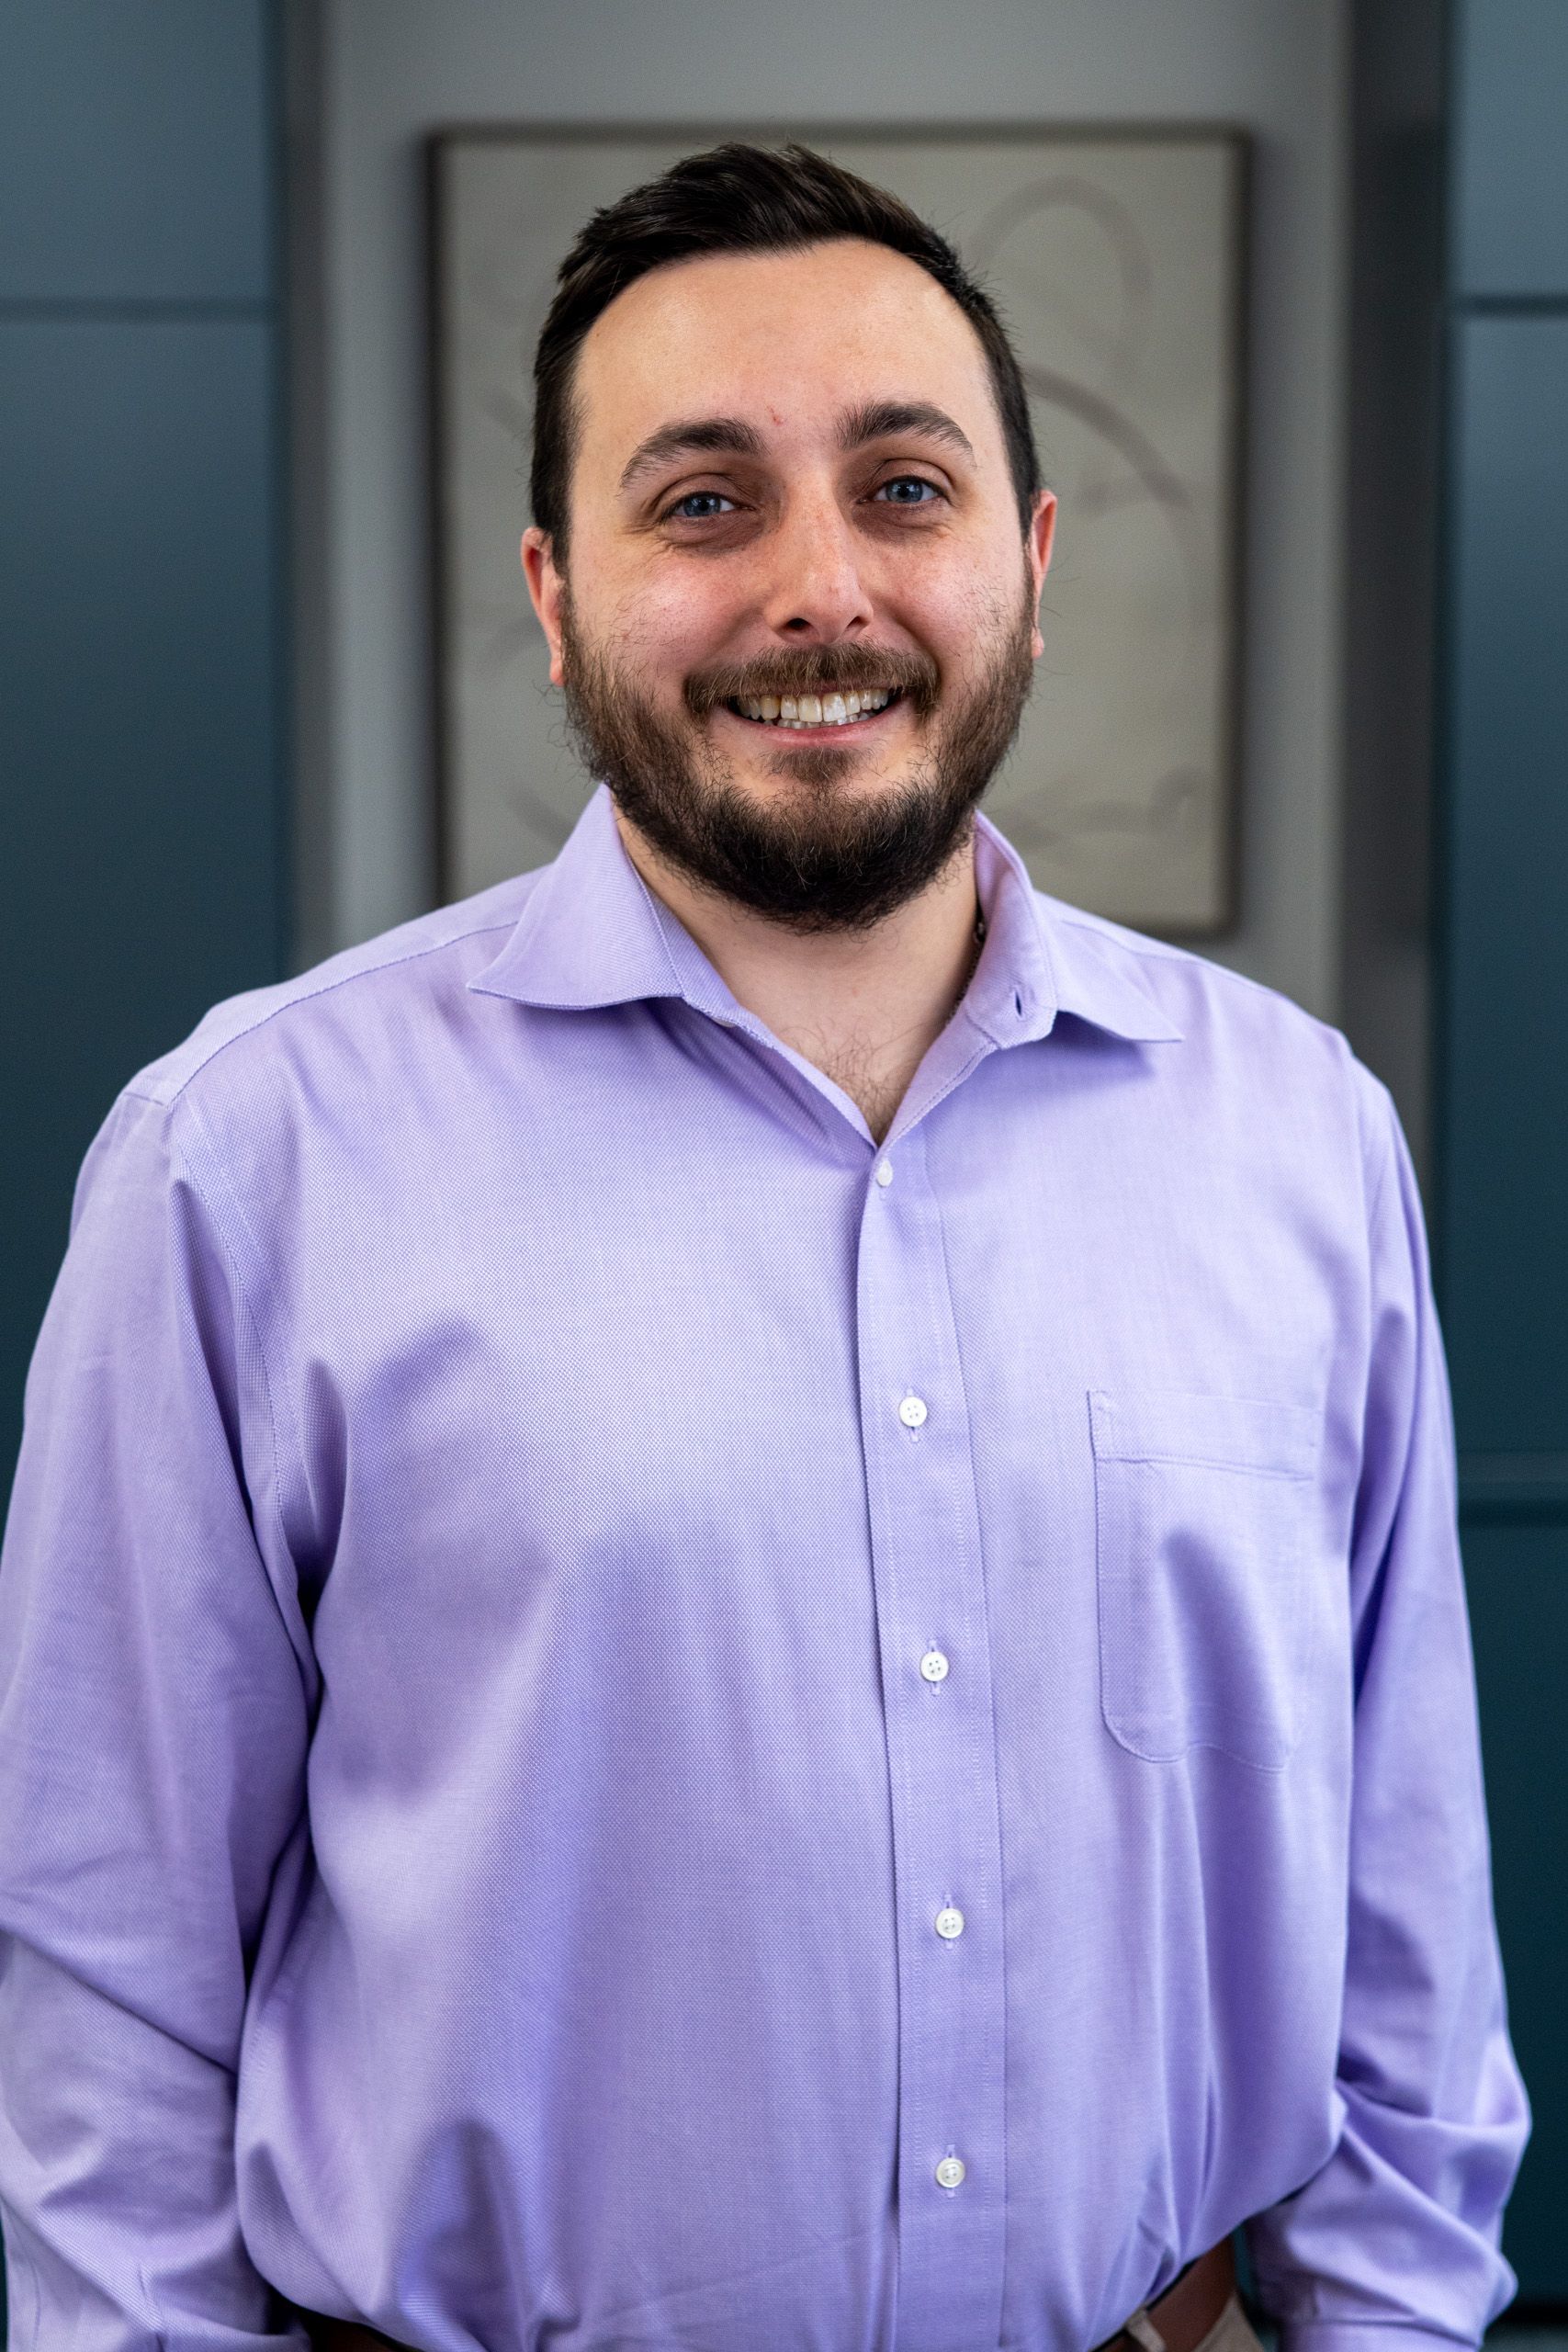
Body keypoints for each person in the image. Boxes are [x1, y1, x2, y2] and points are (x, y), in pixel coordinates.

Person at [0, 141, 1529, 2352]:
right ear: (551, 588)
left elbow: (1400, 1924)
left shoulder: (1294, 1139)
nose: (820, 588)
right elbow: (109, 1990)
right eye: (702, 501)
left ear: (1022, 555)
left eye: (902, 489)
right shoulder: (247, 1160)